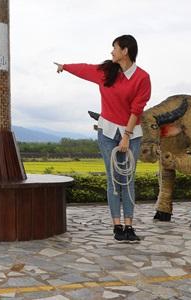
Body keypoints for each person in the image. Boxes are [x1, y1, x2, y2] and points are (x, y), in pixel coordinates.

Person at [55, 35, 151, 242]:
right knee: (113, 180)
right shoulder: (107, 72)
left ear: (125, 51)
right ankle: (117, 226)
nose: (111, 52)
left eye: (114, 48)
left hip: (131, 134)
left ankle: (129, 226)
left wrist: (126, 136)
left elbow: (137, 109)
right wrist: (65, 66)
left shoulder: (142, 78)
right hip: (107, 132)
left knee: (128, 180)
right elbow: (86, 69)